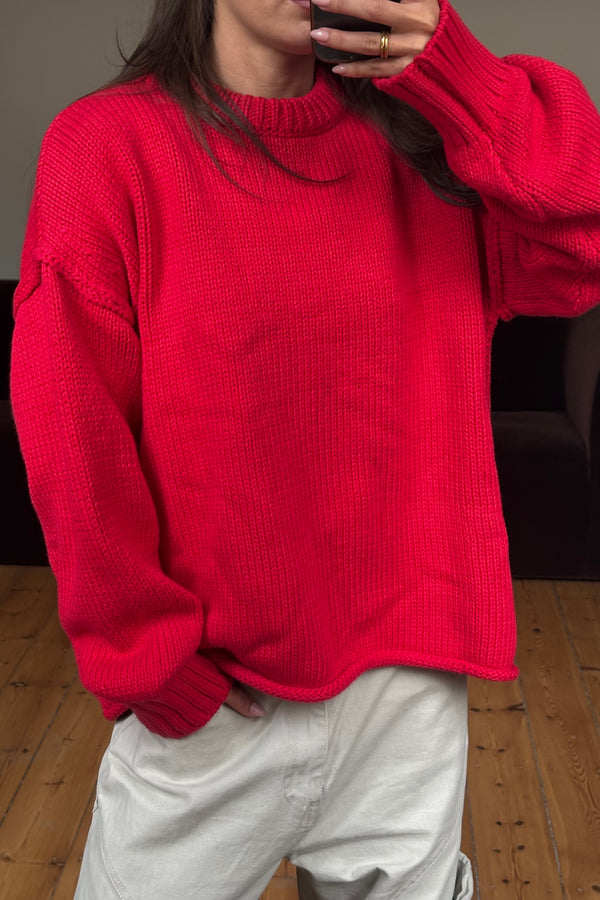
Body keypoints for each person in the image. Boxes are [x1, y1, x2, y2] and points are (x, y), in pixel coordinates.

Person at [9, 0, 600, 895]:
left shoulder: (427, 146)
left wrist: (461, 76)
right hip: (216, 699)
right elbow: (72, 433)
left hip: (408, 688)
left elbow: (582, 242)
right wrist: (147, 660)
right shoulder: (107, 146)